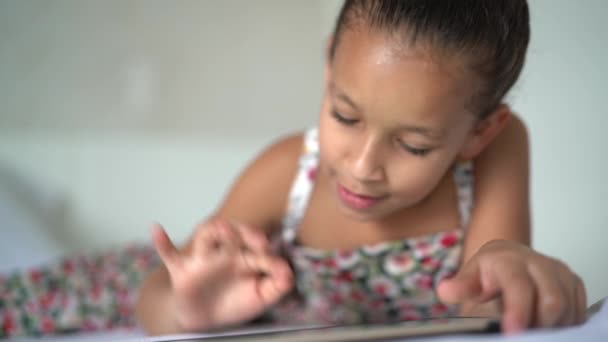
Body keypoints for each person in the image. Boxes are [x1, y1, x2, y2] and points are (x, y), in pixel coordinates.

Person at [135, 0, 587, 336]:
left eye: (413, 145)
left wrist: (512, 275)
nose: (363, 166)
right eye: (345, 117)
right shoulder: (285, 174)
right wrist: (185, 311)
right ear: (330, 70)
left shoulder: (497, 151)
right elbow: (152, 298)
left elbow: (482, 310)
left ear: (480, 132)